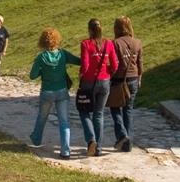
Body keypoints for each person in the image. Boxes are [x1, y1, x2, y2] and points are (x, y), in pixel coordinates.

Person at [28, 28, 80, 160]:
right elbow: (78, 61)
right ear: (57, 40)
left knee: (42, 117)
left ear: (43, 42)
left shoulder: (41, 57)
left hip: (47, 91)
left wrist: (42, 72)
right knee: (64, 121)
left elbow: (32, 76)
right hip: (62, 91)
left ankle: (36, 139)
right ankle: (65, 151)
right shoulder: (63, 54)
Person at [78, 18, 118, 157]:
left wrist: (81, 76)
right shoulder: (108, 44)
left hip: (89, 82)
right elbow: (115, 65)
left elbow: (85, 65)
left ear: (89, 29)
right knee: (99, 114)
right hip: (105, 81)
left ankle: (91, 140)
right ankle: (99, 148)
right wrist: (108, 74)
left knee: (83, 111)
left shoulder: (86, 44)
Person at [109, 16, 143, 153]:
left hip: (118, 80)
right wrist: (140, 78)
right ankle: (127, 143)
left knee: (115, 108)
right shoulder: (138, 43)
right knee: (128, 110)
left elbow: (112, 64)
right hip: (134, 78)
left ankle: (123, 136)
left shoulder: (115, 43)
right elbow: (140, 63)